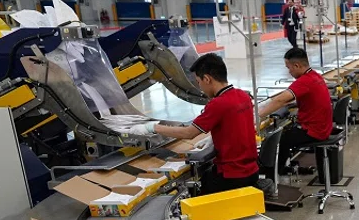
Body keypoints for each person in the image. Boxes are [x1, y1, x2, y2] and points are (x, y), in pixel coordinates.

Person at [132, 53, 258, 195]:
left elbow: (189, 133)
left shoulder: (218, 104)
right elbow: (236, 125)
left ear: (207, 79)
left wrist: (153, 127)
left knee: (193, 192)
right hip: (252, 171)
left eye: (199, 82)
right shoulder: (243, 96)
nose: (200, 88)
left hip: (231, 176)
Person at [256, 47, 333, 177]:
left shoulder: (305, 81)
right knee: (286, 135)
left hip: (314, 131)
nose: (289, 72)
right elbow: (294, 98)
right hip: (324, 127)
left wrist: (258, 115)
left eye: (289, 68)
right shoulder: (315, 76)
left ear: (296, 65)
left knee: (278, 140)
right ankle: (282, 167)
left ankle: (270, 176)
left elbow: (280, 100)